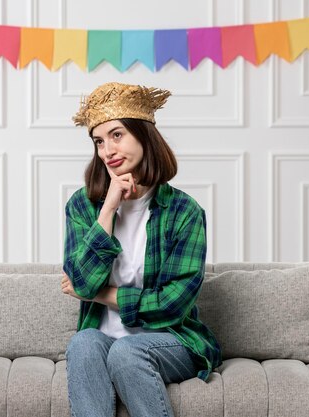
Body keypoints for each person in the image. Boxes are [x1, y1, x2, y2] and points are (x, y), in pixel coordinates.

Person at [61, 82, 222, 417]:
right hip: (105, 337)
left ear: (144, 136)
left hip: (171, 340)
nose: (107, 150)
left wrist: (101, 295)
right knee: (83, 343)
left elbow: (171, 305)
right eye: (99, 141)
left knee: (127, 352)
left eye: (117, 135)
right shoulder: (83, 206)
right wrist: (107, 210)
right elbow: (83, 280)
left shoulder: (183, 212)